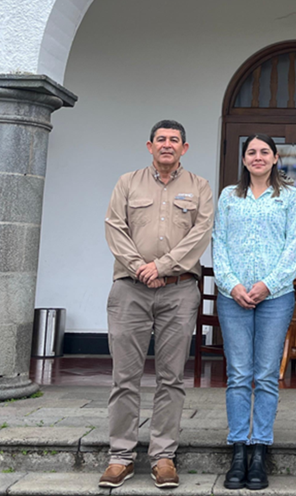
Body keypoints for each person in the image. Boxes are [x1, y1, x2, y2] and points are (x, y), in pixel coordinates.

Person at [100, 120, 214, 490]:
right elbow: (114, 227)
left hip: (179, 291)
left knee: (171, 377)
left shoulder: (200, 187)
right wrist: (140, 268)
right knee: (124, 376)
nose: (167, 145)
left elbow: (201, 234)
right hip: (129, 289)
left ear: (185, 147)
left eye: (174, 140)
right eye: (161, 140)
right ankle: (121, 456)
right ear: (149, 146)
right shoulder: (127, 183)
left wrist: (161, 267)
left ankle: (163, 456)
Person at [213, 134, 296, 490]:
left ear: (275, 157)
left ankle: (259, 450)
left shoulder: (289, 197)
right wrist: (232, 284)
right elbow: (218, 242)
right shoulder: (228, 197)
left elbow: (293, 246)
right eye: (251, 152)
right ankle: (238, 448)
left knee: (266, 375)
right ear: (244, 158)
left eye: (264, 151)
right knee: (238, 374)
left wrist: (267, 284)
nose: (257, 157)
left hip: (275, 297)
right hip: (232, 297)